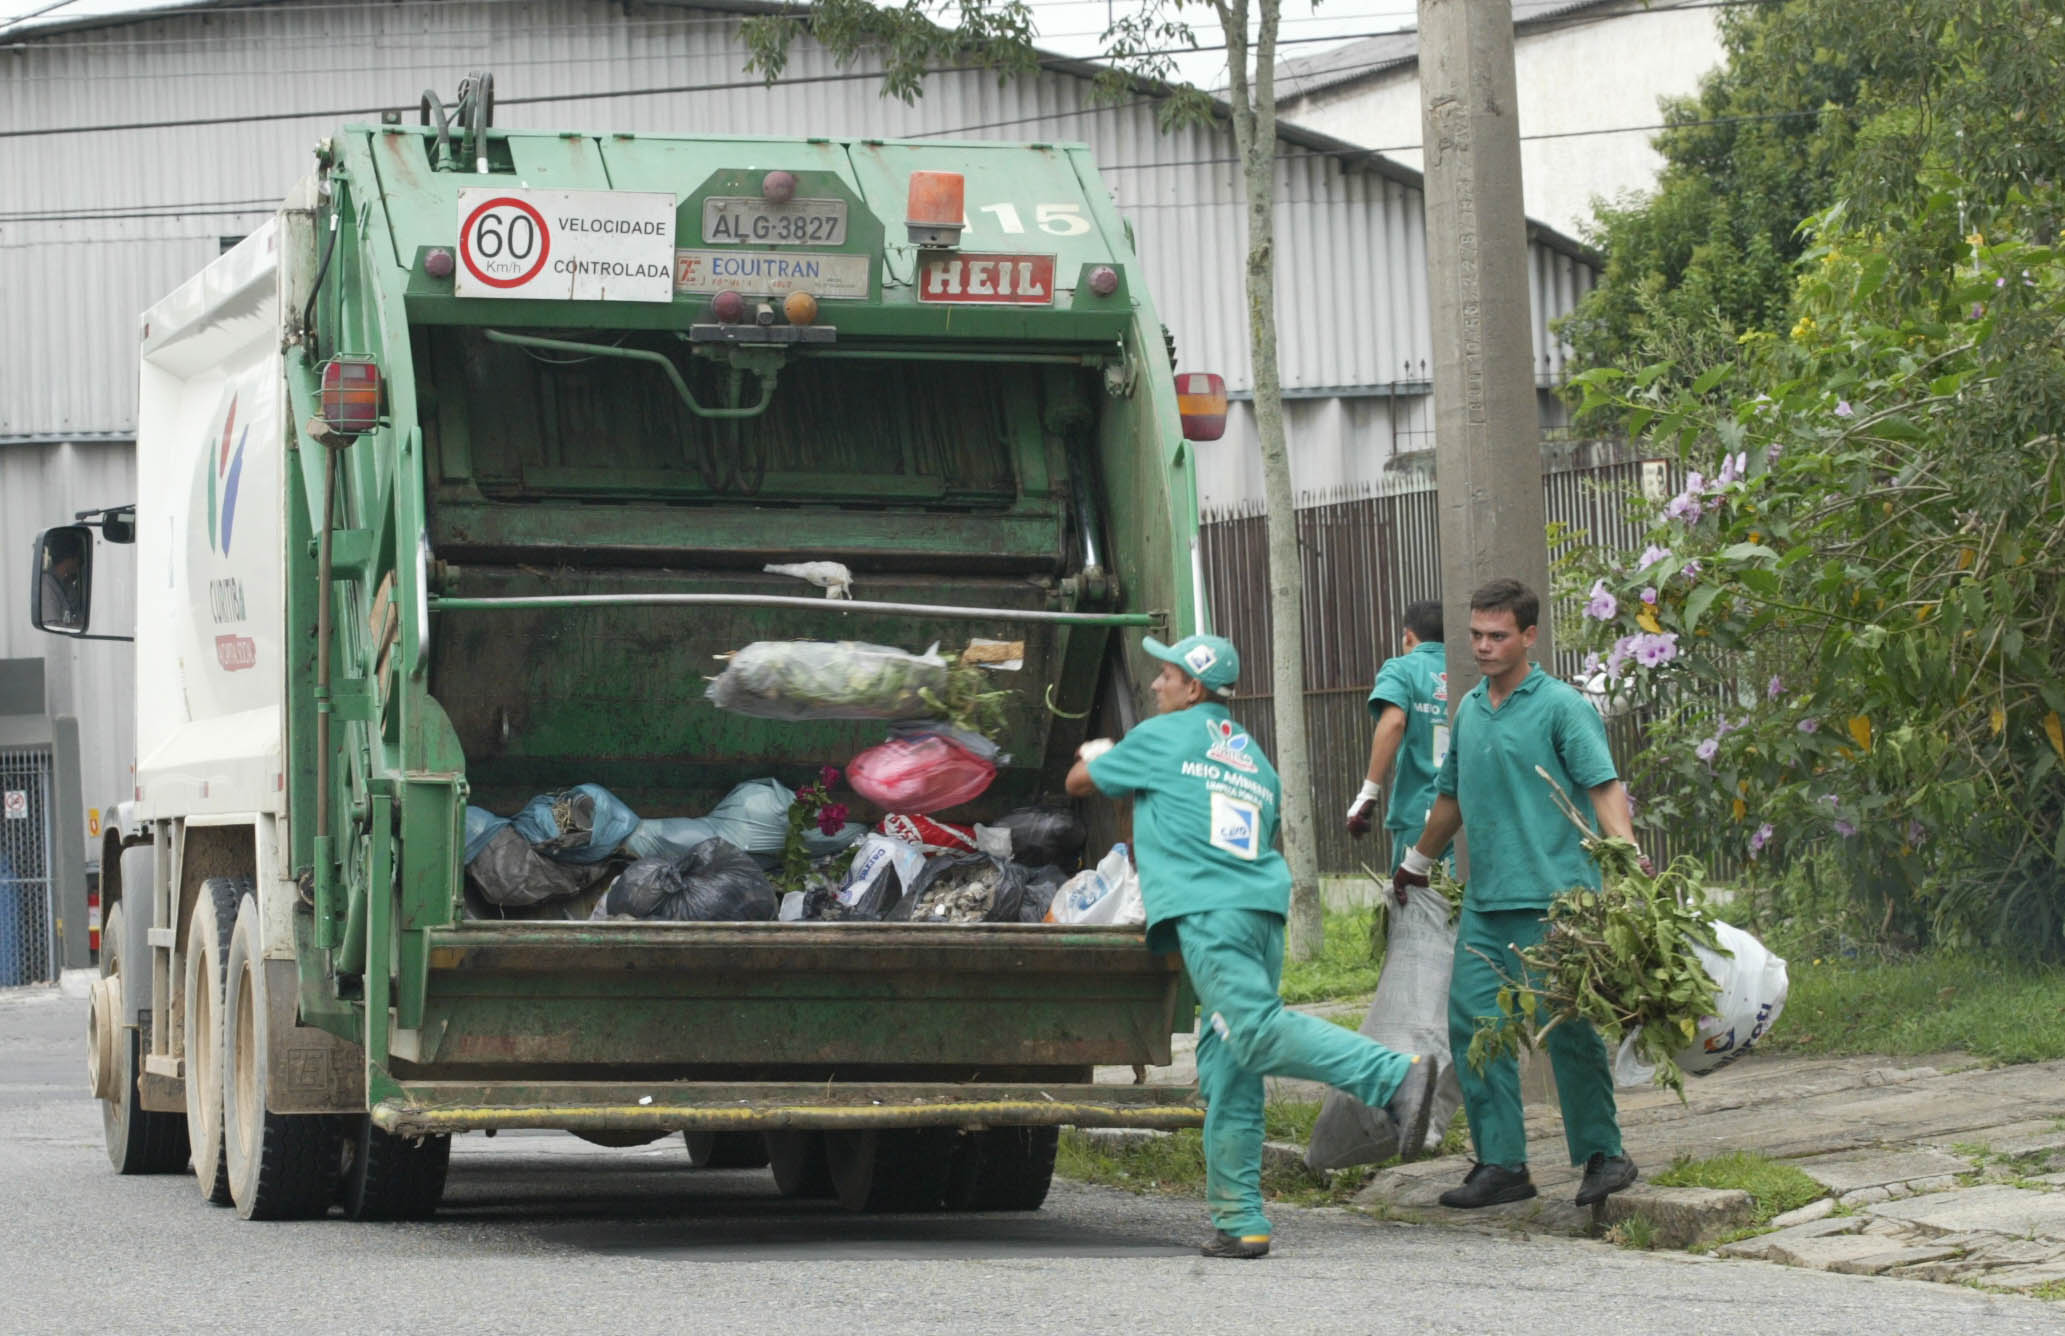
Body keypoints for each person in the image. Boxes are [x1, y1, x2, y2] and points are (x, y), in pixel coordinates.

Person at [1067, 632, 1439, 1259]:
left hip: (1210, 913)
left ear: (1193, 688)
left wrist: (1097, 750)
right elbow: (1261, 830)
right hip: (1260, 915)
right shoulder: (1254, 759)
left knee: (1257, 1033)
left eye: (1166, 675)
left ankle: (1395, 1077)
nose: (1155, 684)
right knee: (1231, 1069)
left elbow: (1080, 782)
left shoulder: (1161, 737)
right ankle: (1240, 1221)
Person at [1392, 579, 1643, 1210]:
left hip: (1559, 901)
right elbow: (1450, 798)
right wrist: (1418, 861)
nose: (1483, 646)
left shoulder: (1561, 706)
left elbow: (1603, 785)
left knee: (1569, 1030)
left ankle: (1604, 1155)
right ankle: (1503, 1165)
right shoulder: (1470, 709)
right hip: (1487, 902)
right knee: (1477, 1027)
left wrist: (1626, 853)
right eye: (1476, 635)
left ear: (1529, 636)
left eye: (1497, 636)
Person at [1345, 599, 1451, 866]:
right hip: (1467, 814)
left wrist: (1368, 793)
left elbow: (1393, 722)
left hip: (1419, 811)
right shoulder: (1471, 670)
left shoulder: (1401, 669)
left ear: (1408, 635)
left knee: (1414, 890)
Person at [38, 543, 83, 629]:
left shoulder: (66, 582)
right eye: (79, 557)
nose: (81, 562)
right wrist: (79, 626)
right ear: (70, 558)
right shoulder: (47, 584)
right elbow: (52, 625)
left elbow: (75, 612)